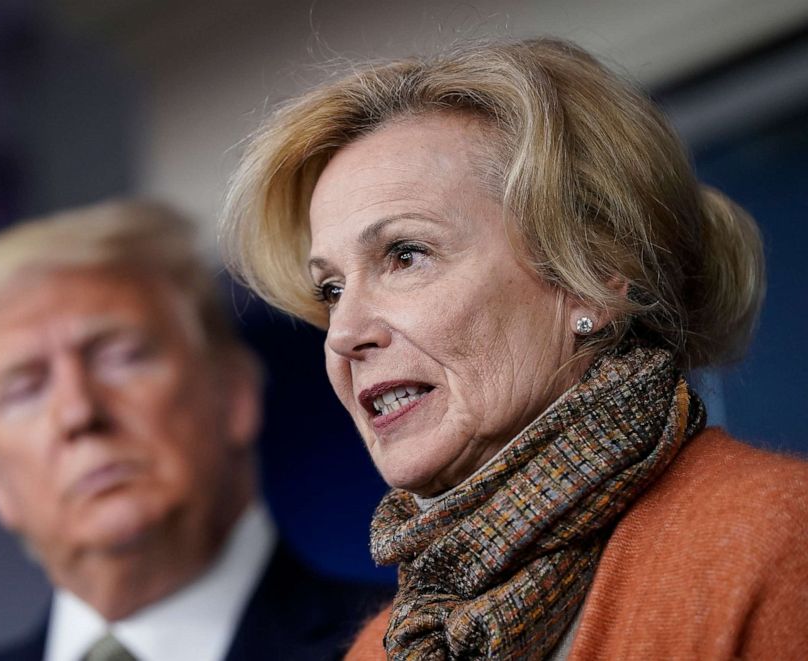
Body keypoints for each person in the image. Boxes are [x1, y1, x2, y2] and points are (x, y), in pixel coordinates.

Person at [221, 37, 808, 660]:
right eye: (332, 289)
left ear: (593, 275)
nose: (342, 334)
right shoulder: (382, 650)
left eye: (405, 255)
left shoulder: (777, 542)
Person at [0, 200, 389, 661]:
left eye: (121, 357)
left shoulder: (412, 645)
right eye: (26, 389)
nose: (78, 412)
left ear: (234, 394)